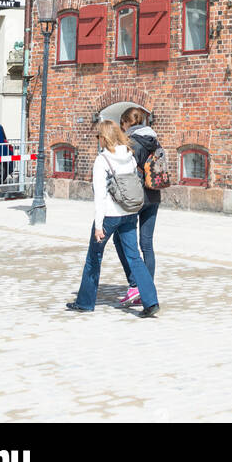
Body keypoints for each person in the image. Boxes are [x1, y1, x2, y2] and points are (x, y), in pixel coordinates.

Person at [66, 120, 159, 317]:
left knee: (94, 257)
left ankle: (84, 302)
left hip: (110, 215)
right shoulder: (129, 156)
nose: (97, 139)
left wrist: (99, 226)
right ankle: (151, 301)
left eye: (98, 136)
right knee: (134, 256)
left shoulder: (103, 160)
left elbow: (100, 196)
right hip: (129, 213)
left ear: (104, 137)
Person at [115, 107, 161, 306]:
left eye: (122, 123)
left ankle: (135, 285)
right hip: (154, 195)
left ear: (127, 122)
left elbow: (125, 172)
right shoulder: (154, 139)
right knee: (147, 244)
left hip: (135, 198)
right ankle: (146, 289)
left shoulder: (131, 142)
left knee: (123, 241)